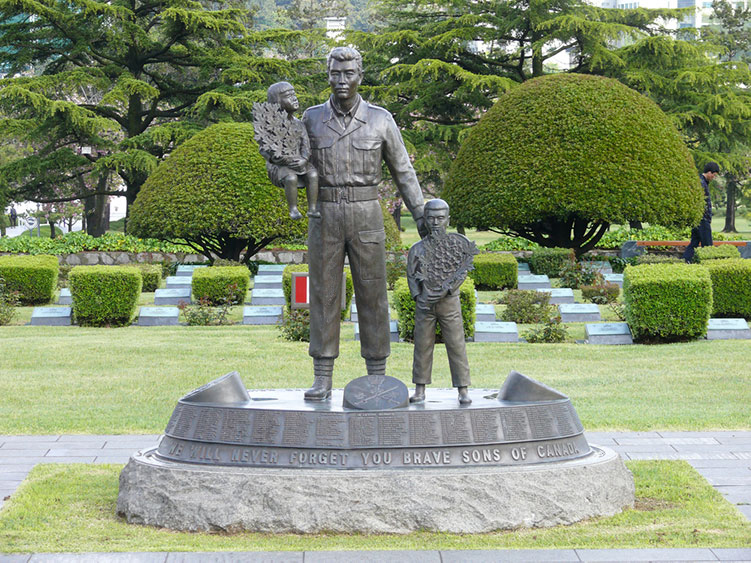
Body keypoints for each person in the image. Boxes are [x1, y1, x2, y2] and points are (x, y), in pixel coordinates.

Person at [301, 46, 427, 401]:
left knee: (373, 294)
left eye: (349, 74)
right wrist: (277, 168)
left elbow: (403, 170)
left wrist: (420, 214)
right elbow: (291, 167)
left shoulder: (380, 120)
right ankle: (322, 376)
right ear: (327, 75)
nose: (342, 81)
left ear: (360, 76)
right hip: (324, 214)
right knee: (324, 295)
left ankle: (377, 375)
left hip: (367, 213)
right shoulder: (310, 120)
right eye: (335, 74)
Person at [407, 199, 472, 405]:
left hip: (449, 304)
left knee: (456, 345)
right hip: (425, 305)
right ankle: (420, 388)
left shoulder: (457, 245)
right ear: (425, 220)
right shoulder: (417, 249)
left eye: (440, 218)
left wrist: (446, 290)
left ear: (448, 220)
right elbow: (411, 274)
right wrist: (419, 296)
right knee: (422, 346)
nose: (436, 222)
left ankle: (463, 389)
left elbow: (461, 272)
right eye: (431, 218)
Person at [259, 82, 320, 220]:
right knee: (291, 178)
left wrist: (304, 159)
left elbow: (305, 144)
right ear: (277, 101)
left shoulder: (299, 124)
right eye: (288, 96)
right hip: (280, 165)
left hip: (299, 160)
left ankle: (313, 208)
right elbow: (266, 148)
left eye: (294, 94)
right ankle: (293, 209)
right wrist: (284, 159)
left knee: (313, 174)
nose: (294, 98)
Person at [683, 162, 719, 263]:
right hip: (702, 219)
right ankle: (709, 265)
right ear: (709, 172)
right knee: (707, 245)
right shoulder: (701, 183)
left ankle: (686, 260)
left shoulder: (701, 182)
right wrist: (706, 218)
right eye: (714, 175)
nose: (713, 177)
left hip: (698, 219)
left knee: (694, 242)